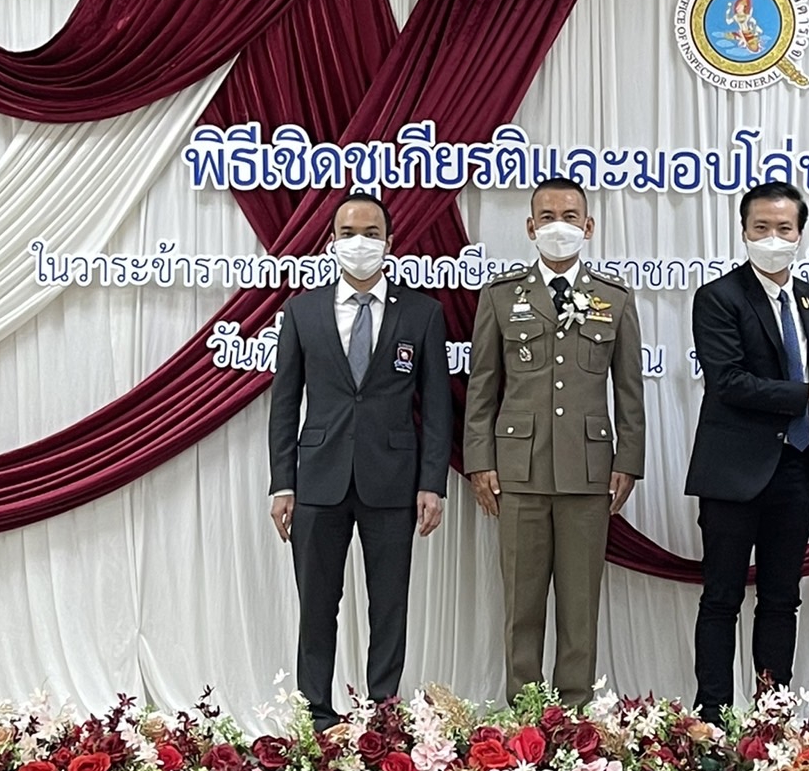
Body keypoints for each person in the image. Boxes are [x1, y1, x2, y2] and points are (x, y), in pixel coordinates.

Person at [685, 182, 809, 722]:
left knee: (781, 598)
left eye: (784, 229)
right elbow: (730, 383)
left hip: (796, 465)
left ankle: (771, 719)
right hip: (733, 472)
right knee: (721, 598)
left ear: (800, 234)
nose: (773, 238)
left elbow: (808, 373)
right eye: (761, 228)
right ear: (744, 231)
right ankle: (712, 719)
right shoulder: (718, 297)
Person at [268, 192, 451, 730]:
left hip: (393, 482)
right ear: (331, 243)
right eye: (348, 233)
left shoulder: (422, 313)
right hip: (317, 481)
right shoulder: (302, 311)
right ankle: (316, 717)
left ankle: (382, 717)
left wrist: (432, 483)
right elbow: (284, 404)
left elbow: (437, 407)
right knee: (317, 606)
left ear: (389, 243)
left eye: (371, 233)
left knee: (389, 605)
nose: (360, 243)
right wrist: (282, 483)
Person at [463, 177, 644, 708]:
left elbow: (629, 390)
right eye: (547, 217)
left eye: (569, 216)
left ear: (588, 227)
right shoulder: (501, 296)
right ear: (530, 227)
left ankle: (574, 714)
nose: (558, 226)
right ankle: (525, 715)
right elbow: (482, 386)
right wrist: (479, 461)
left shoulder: (613, 298)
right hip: (518, 471)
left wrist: (628, 460)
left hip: (588, 471)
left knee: (579, 606)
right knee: (521, 605)